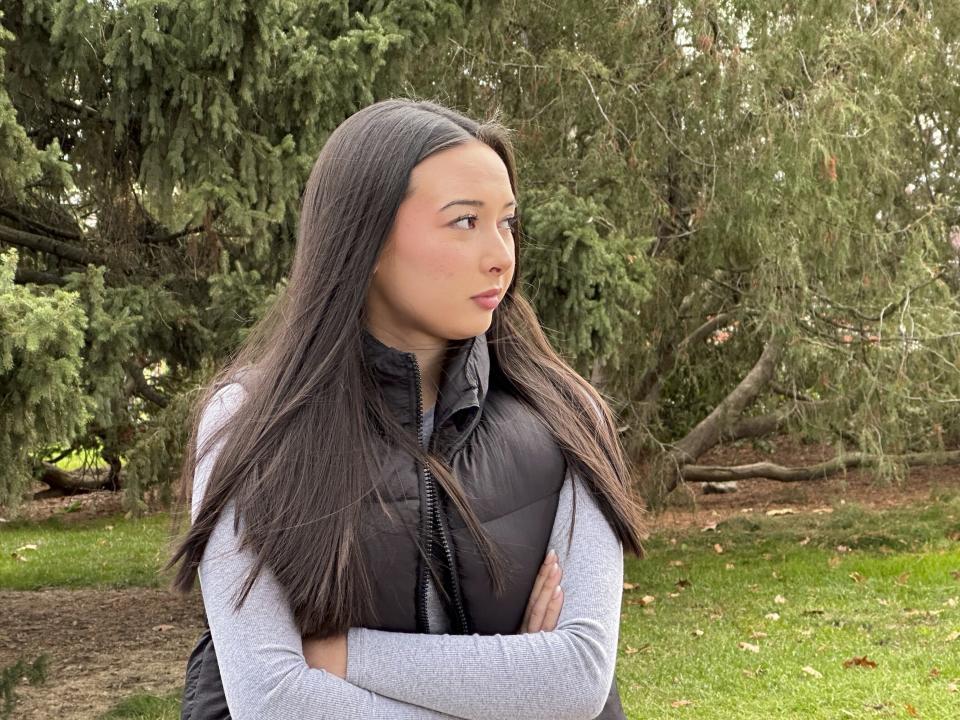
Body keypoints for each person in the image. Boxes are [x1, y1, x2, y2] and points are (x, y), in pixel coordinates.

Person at [166, 97, 646, 719]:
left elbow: (578, 677)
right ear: (364, 237)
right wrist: (509, 694)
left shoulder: (570, 416)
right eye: (465, 222)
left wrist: (345, 656)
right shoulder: (248, 424)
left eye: (507, 222)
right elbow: (272, 699)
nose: (502, 254)